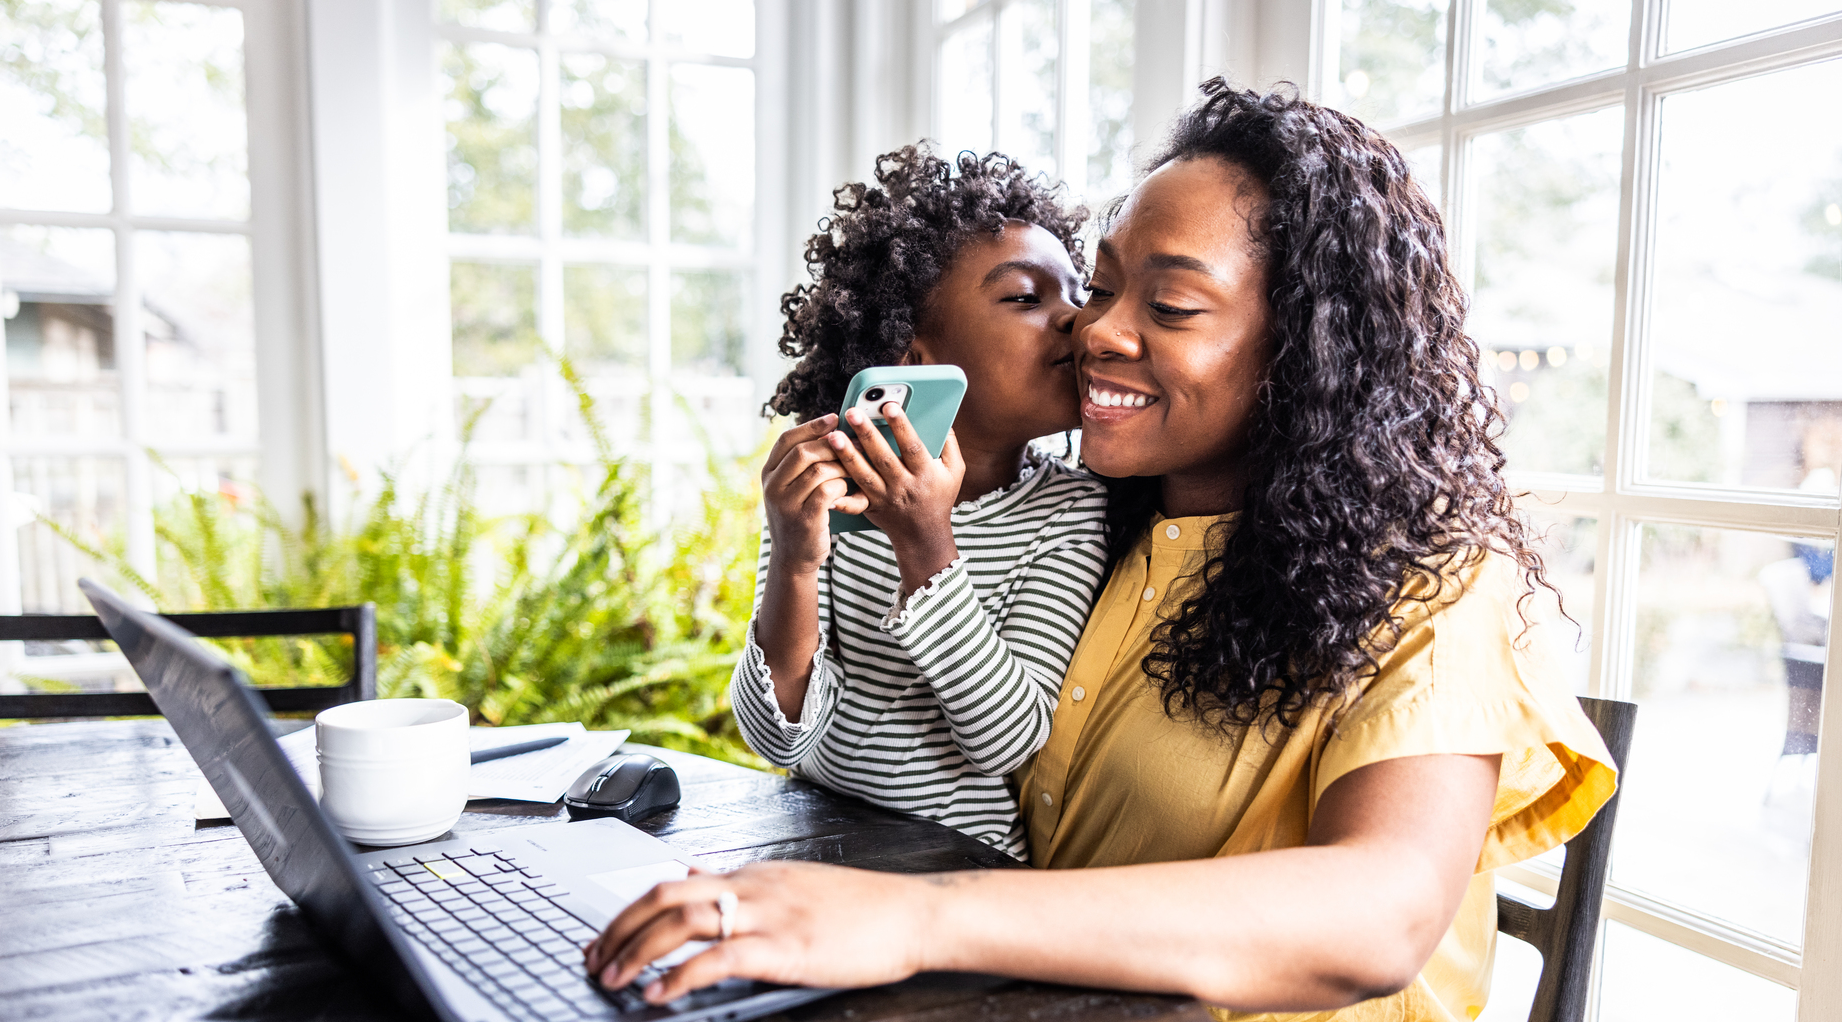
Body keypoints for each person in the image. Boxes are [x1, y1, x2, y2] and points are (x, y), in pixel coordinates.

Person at [594, 82, 1617, 1022]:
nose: (1092, 332)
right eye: (1101, 288)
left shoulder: (1435, 584)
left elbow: (1380, 915)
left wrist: (915, 919)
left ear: (1308, 352)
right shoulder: (1118, 536)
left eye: (1169, 306)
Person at [730, 144, 1109, 860]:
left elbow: (1008, 738)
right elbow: (775, 734)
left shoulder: (1068, 514)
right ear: (911, 358)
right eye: (1027, 297)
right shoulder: (830, 498)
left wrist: (926, 545)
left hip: (959, 875)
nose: (1076, 320)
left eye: (1078, 293)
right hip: (816, 850)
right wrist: (796, 562)